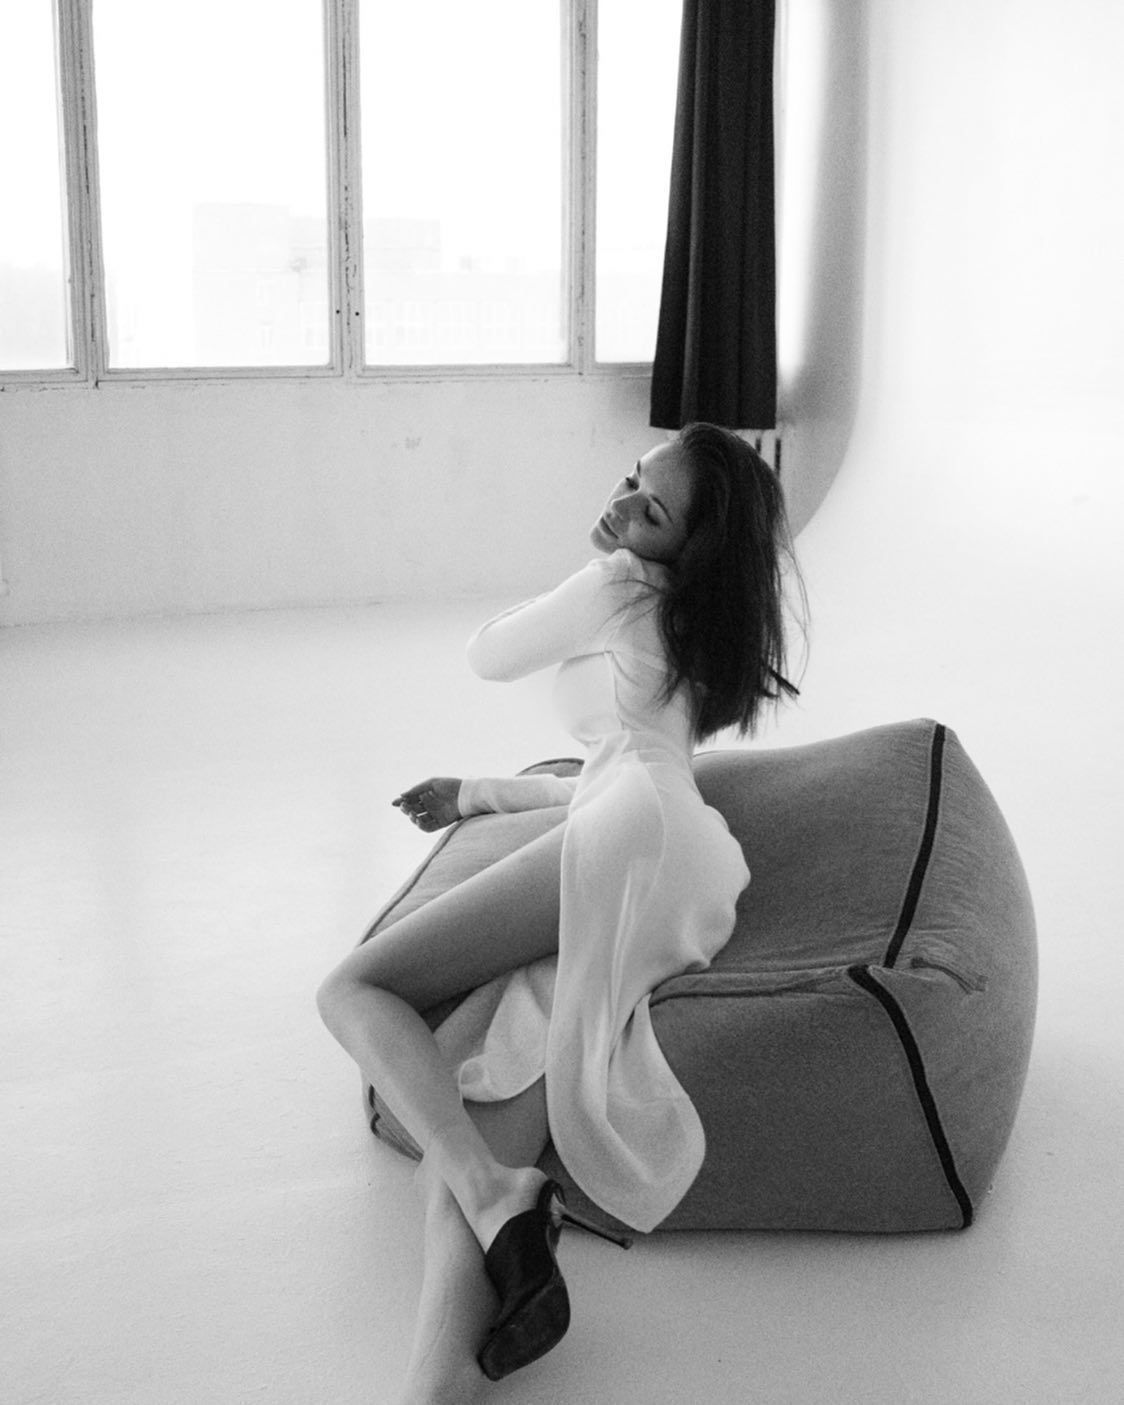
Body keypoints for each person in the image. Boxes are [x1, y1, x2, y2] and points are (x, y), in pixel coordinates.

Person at [317, 422, 803, 1404]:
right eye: (629, 480)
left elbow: (488, 654)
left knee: (355, 987)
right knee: (478, 1116)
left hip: (633, 837)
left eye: (649, 511)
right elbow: (621, 763)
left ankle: (494, 1190)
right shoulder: (692, 623)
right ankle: (440, 1379)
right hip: (688, 862)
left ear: (685, 547)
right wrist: (479, 792)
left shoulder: (622, 582)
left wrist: (599, 568)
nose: (620, 508)